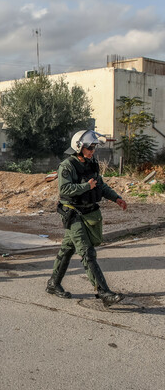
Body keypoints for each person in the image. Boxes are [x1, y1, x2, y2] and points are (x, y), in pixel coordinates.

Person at [47, 130, 127, 307]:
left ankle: (53, 284)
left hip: (88, 213)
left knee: (67, 249)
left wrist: (116, 198)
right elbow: (65, 190)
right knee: (87, 253)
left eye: (94, 147)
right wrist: (86, 186)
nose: (92, 151)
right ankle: (104, 292)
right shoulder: (66, 166)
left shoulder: (92, 163)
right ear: (79, 147)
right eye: (89, 147)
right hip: (73, 213)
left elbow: (101, 185)